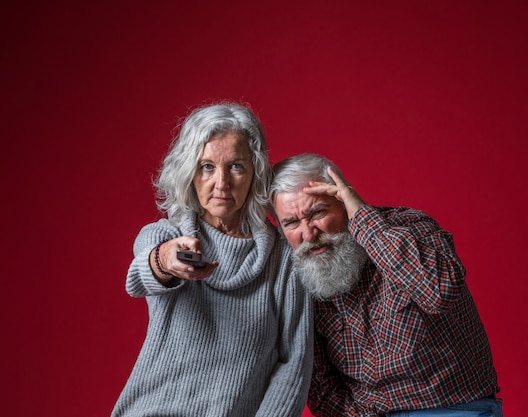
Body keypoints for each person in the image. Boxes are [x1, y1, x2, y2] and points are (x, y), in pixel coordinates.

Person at [111, 103, 312, 417]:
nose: (222, 182)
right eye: (207, 166)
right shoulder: (165, 234)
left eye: (236, 166)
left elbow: (294, 365)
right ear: (189, 172)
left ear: (255, 173)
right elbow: (139, 275)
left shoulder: (284, 261)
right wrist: (166, 260)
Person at [269, 153, 502, 417]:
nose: (309, 234)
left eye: (318, 213)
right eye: (291, 223)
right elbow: (319, 383)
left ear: (343, 201)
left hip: (451, 407)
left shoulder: (410, 226)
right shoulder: (299, 275)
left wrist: (362, 218)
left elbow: (438, 292)